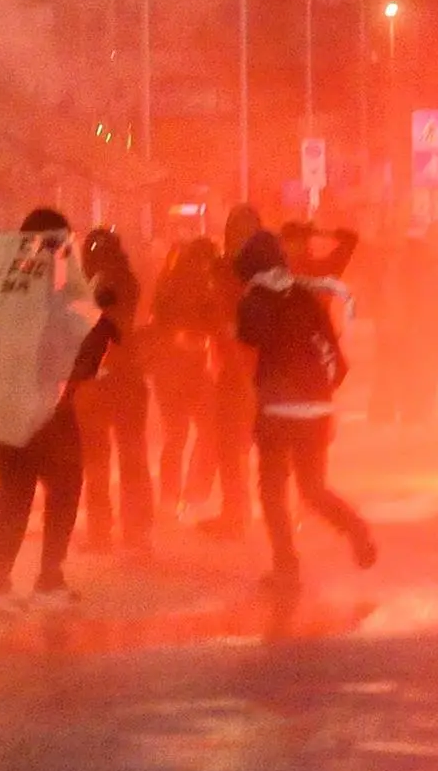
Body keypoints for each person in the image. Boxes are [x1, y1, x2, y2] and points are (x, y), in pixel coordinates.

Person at [0, 209, 119, 613]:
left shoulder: (5, 282)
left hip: (10, 405)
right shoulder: (49, 284)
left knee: (15, 489)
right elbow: (64, 338)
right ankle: (43, 578)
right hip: (44, 404)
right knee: (60, 486)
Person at [234, 229, 376, 594]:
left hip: (279, 410)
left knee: (271, 491)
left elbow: (249, 343)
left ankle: (286, 567)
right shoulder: (305, 295)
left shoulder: (255, 299)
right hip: (317, 407)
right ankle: (355, 528)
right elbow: (332, 349)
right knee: (312, 488)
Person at [74, 227, 154, 552]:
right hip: (127, 377)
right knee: (132, 455)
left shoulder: (86, 286)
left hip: (97, 380)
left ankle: (100, 531)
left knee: (97, 459)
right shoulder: (129, 281)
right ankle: (135, 530)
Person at [198, 204, 264, 540]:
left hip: (249, 368)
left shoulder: (242, 272)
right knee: (231, 443)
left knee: (237, 442)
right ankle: (237, 511)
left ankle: (240, 514)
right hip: (238, 367)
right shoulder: (240, 269)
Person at [149, 237, 227, 520]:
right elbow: (211, 322)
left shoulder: (168, 280)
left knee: (176, 435)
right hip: (188, 369)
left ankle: (170, 495)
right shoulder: (200, 285)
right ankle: (194, 491)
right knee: (209, 429)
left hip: (168, 371)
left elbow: (159, 318)